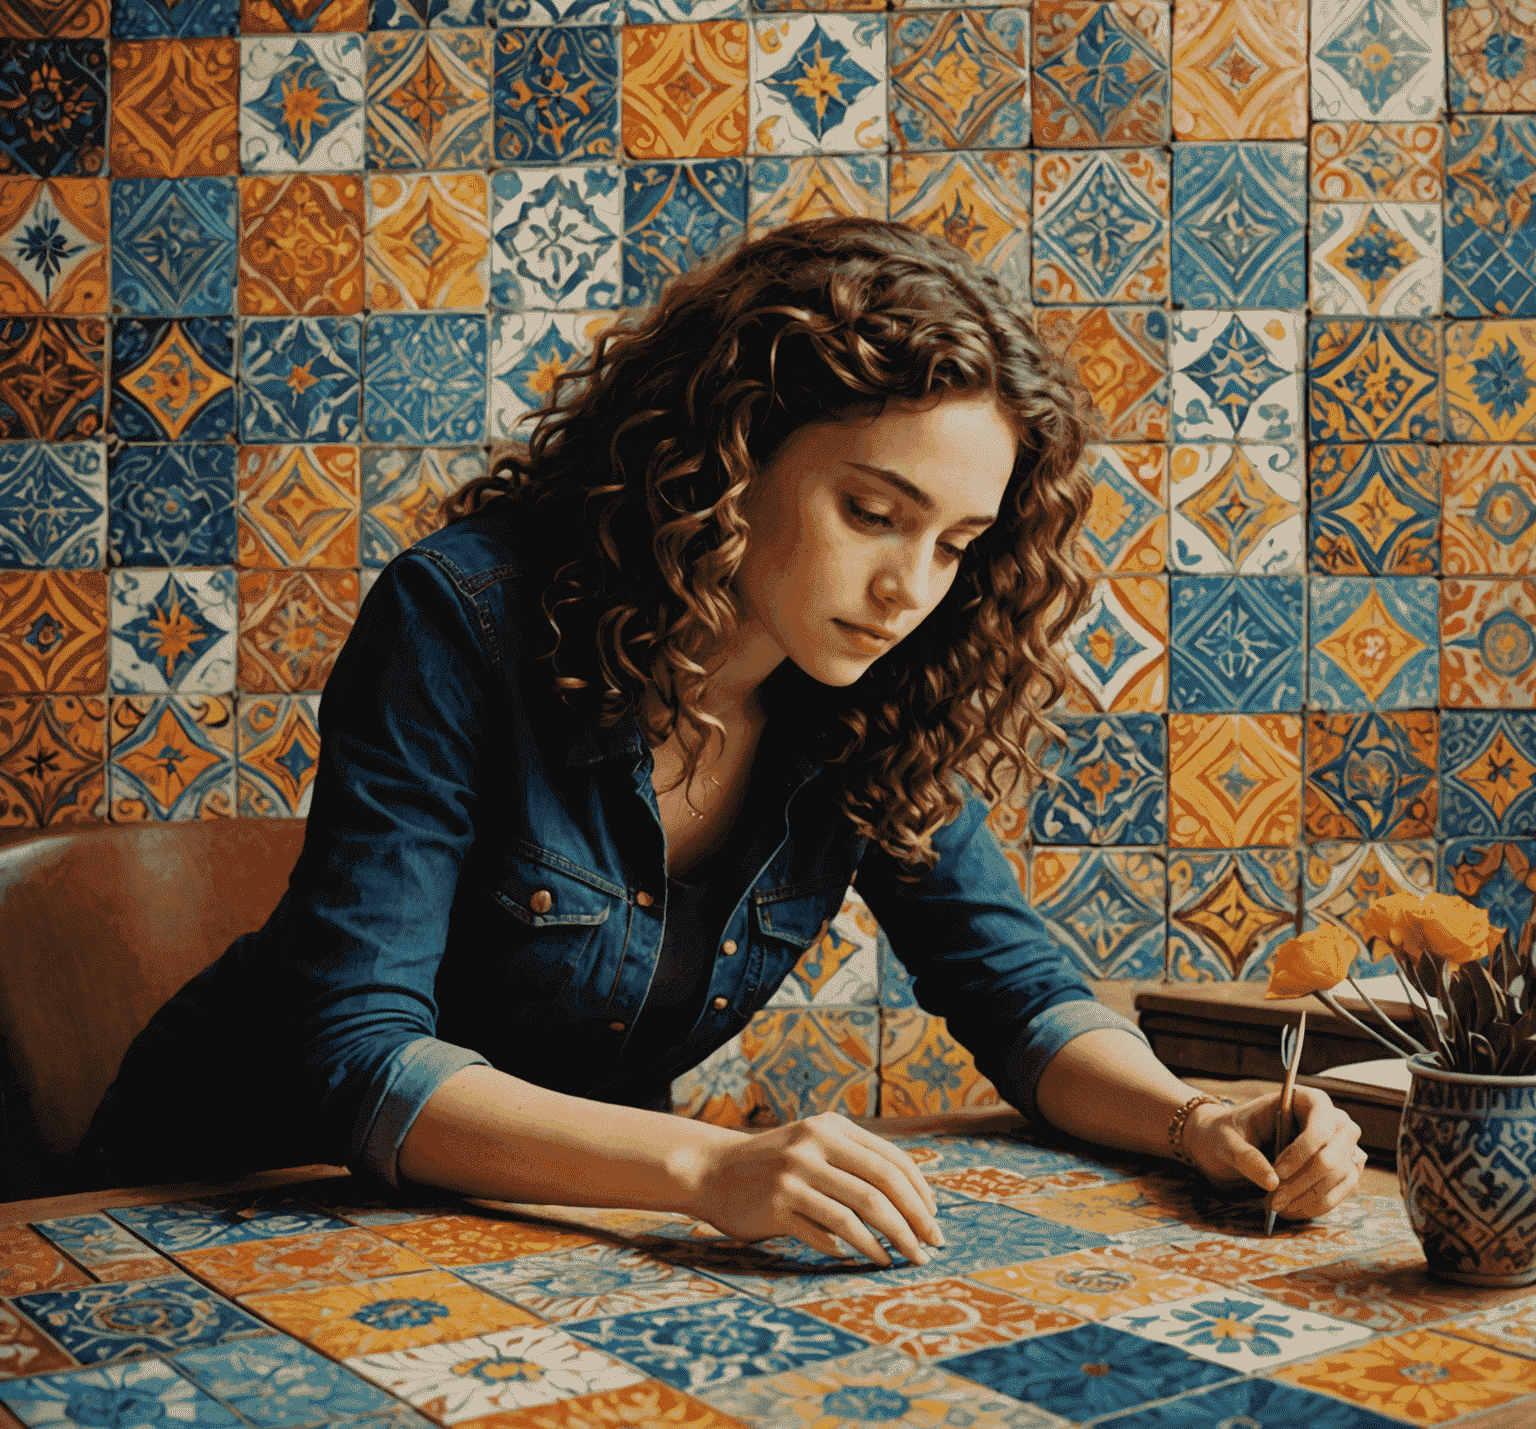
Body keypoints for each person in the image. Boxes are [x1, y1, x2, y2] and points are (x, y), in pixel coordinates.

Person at [89, 219, 1365, 1266]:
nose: (911, 586)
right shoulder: (461, 616)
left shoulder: (868, 705)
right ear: (727, 455)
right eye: (873, 511)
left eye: (958, 543)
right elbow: (354, 1053)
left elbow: (1016, 991)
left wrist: (1200, 1124)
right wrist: (706, 1165)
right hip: (213, 1192)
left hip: (525, 1228)